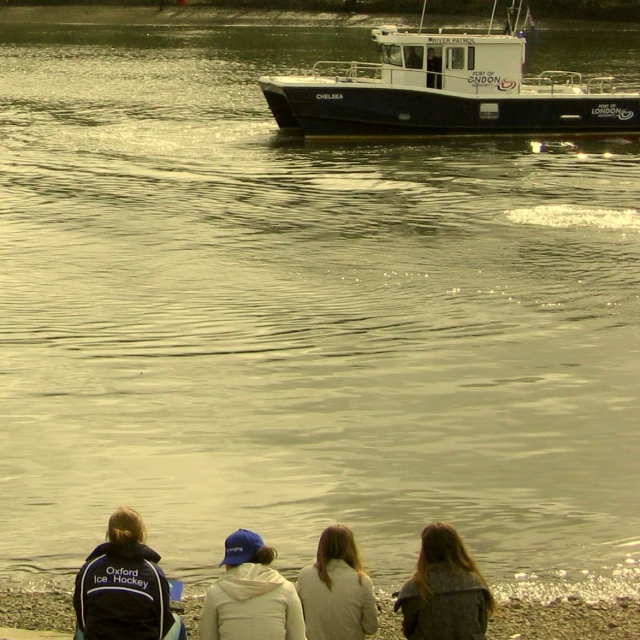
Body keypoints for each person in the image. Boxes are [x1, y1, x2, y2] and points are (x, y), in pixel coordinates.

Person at [73, 506, 186, 640]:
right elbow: (163, 625)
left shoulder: (90, 568)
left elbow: (82, 616)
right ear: (141, 534)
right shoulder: (153, 572)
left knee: (79, 628)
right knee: (177, 621)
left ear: (109, 533)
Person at [394, 522, 497, 640]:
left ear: (425, 550)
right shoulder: (475, 583)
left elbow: (408, 630)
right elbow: (481, 626)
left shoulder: (415, 587)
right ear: (457, 547)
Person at [199, 529, 306, 640]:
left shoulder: (215, 592)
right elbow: (298, 637)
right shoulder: (286, 589)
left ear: (229, 563)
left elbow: (207, 636)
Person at [296, 524, 378, 640]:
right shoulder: (362, 580)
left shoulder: (305, 575)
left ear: (322, 547)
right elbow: (371, 627)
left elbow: (299, 618)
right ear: (351, 548)